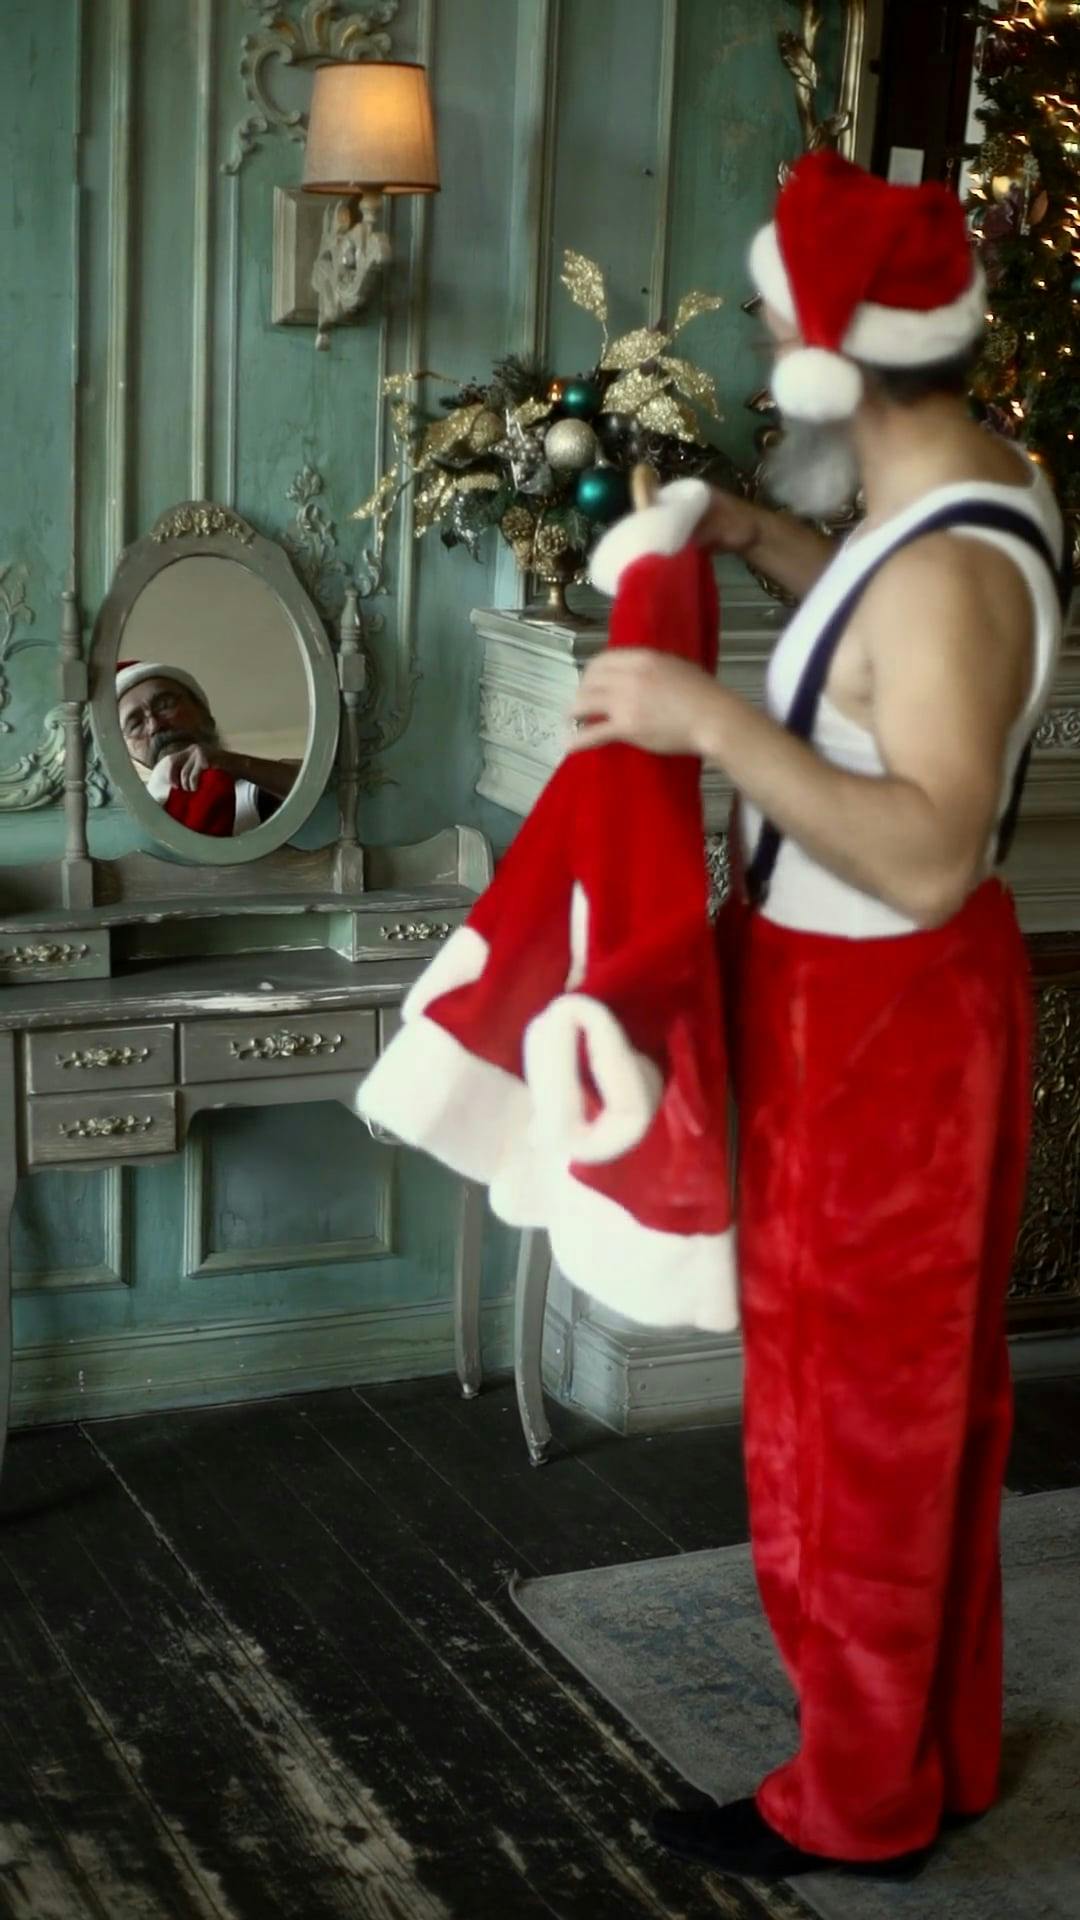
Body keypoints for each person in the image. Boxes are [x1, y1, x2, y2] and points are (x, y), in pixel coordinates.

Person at [570, 151, 1068, 1882]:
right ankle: (934, 1754)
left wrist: (701, 717)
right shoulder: (946, 497)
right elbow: (860, 650)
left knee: (847, 1427)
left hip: (885, 1012)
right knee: (926, 1408)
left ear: (835, 361)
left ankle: (856, 1809)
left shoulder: (942, 574)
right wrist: (749, 528)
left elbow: (925, 847)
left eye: (780, 314)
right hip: (878, 1008)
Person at [116, 662, 299, 837]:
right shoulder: (126, 825)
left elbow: (320, 786)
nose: (155, 725)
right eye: (135, 723)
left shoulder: (258, 788)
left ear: (205, 717)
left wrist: (229, 762)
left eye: (165, 705)